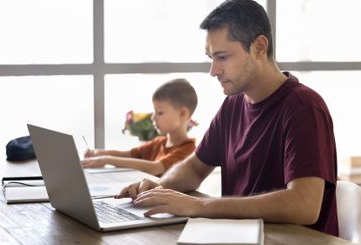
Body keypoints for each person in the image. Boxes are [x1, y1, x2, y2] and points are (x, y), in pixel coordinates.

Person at [116, 0, 338, 237]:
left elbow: (303, 205)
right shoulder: (232, 105)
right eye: (210, 57)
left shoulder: (304, 107)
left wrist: (200, 206)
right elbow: (194, 167)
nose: (213, 70)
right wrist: (159, 187)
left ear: (259, 48)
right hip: (239, 236)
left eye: (222, 57)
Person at [81, 78, 198, 177]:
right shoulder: (159, 143)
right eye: (154, 111)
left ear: (183, 113)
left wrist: (106, 160)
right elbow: (129, 154)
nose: (153, 118)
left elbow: (155, 167)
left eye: (160, 112)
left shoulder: (189, 150)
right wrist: (98, 153)